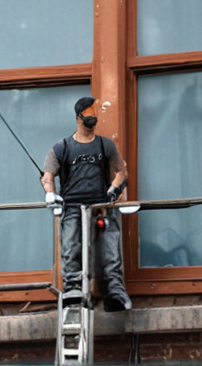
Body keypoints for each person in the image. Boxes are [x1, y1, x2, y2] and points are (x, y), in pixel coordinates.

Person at [40, 96, 132, 312]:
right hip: (72, 207)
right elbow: (47, 176)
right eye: (87, 120)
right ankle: (73, 291)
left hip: (101, 206)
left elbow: (121, 171)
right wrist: (51, 195)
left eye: (94, 120)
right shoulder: (61, 147)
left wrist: (114, 191)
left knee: (110, 249)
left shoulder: (105, 145)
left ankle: (114, 294)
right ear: (78, 118)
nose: (91, 124)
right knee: (72, 247)